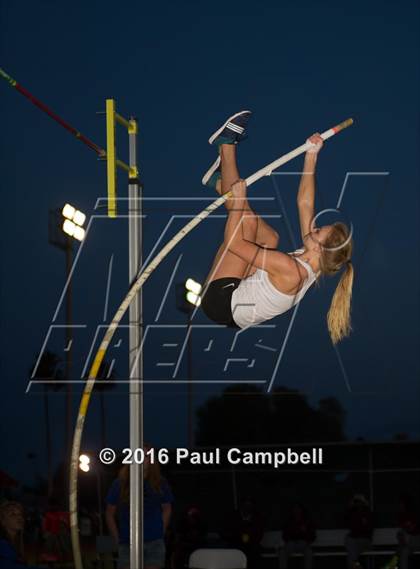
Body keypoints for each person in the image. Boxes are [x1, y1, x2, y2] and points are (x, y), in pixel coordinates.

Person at [201, 111, 354, 344]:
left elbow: (234, 244)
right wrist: (311, 155)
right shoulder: (314, 259)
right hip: (238, 304)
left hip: (220, 301)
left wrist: (238, 204)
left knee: (245, 219)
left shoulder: (292, 270)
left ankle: (225, 145)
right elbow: (305, 204)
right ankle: (221, 184)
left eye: (318, 231)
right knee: (270, 237)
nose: (313, 229)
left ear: (320, 249)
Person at [106, 446, 173, 569]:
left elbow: (167, 508)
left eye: (146, 456)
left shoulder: (160, 482)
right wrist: (117, 539)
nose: (142, 459)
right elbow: (109, 513)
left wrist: (160, 530)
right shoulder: (120, 483)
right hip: (128, 544)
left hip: (154, 543)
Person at [222, 497, 264, 569]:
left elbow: (258, 535)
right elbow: (227, 532)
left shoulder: (257, 517)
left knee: (255, 551)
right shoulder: (233, 516)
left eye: (250, 506)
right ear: (241, 506)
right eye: (245, 505)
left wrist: (249, 536)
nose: (247, 508)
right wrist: (239, 536)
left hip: (252, 545)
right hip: (235, 544)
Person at [0, 500, 41, 568]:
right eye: (13, 514)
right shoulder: (2, 545)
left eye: (20, 514)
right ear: (3, 521)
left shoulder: (19, 542)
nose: (19, 517)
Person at [279, 503, 316, 569]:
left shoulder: (307, 521)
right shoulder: (289, 521)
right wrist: (291, 536)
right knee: (282, 552)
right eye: (295, 509)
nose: (297, 511)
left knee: (309, 552)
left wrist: (305, 532)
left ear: (301, 510)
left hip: (303, 544)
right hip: (291, 544)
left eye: (298, 509)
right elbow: (284, 536)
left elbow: (312, 536)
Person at [344, 494, 373, 569]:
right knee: (350, 543)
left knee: (350, 544)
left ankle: (356, 566)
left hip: (365, 541)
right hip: (354, 542)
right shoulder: (352, 513)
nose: (358, 504)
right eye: (356, 502)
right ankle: (357, 566)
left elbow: (367, 530)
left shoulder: (367, 513)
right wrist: (350, 507)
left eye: (360, 502)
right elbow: (344, 519)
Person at [396, 494, 420, 569]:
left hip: (417, 541)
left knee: (405, 538)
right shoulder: (401, 516)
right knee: (403, 551)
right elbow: (401, 532)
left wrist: (405, 532)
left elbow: (412, 529)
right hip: (407, 545)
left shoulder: (415, 513)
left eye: (401, 503)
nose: (400, 505)